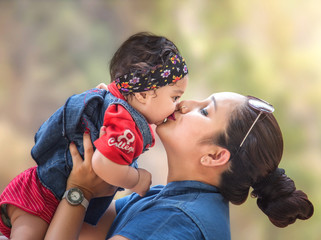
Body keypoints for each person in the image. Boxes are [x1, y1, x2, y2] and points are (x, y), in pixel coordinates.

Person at [45, 92, 314, 240]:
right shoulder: (163, 197)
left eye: (205, 111)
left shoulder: (177, 220)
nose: (186, 104)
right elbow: (80, 233)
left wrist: (79, 189)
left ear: (215, 156)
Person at [0, 32, 189, 239]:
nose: (177, 105)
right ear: (143, 94)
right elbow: (102, 163)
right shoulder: (125, 125)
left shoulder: (110, 98)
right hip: (41, 199)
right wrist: (136, 180)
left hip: (43, 193)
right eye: (175, 97)